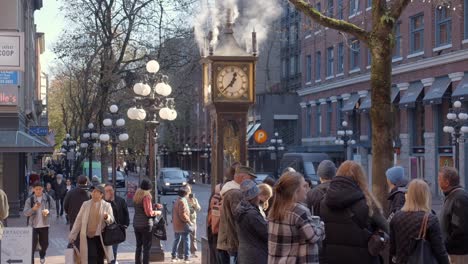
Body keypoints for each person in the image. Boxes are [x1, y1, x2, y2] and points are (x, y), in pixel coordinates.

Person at [319, 160, 388, 264]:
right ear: (360, 178)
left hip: (332, 258)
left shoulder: (324, 202)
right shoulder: (367, 204)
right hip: (363, 258)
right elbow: (387, 228)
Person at [268, 171, 325, 263]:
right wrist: (321, 226)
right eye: (304, 186)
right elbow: (313, 237)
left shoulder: (275, 208)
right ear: (295, 190)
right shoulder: (299, 211)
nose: (306, 189)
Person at [390, 179, 449, 264]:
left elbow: (392, 249)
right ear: (426, 196)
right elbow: (439, 251)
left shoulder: (396, 217)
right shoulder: (430, 219)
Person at [217, 166, 257, 264]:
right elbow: (240, 218)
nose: (253, 182)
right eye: (251, 178)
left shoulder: (232, 191)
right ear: (242, 177)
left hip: (229, 243)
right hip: (232, 244)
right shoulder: (235, 193)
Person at [69, 185, 115, 264]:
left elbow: (111, 221)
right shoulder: (85, 204)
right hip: (88, 236)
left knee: (100, 258)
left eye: (95, 192)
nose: (93, 193)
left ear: (101, 194)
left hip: (101, 237)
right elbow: (78, 220)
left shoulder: (107, 205)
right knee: (91, 257)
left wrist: (107, 217)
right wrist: (73, 235)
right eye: (92, 192)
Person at [207, 162, 240, 264]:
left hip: (216, 231)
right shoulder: (236, 190)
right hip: (230, 234)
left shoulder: (219, 188)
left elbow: (210, 212)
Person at [438, 167, 468, 263]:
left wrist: (445, 245)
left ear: (447, 182)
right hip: (453, 252)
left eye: (439, 179)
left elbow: (459, 229)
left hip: (458, 254)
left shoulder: (459, 198)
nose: (438, 181)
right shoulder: (452, 196)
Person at [234, 180, 268, 264]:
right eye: (257, 195)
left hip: (244, 255)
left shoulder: (240, 209)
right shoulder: (251, 214)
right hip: (255, 257)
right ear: (254, 197)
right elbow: (267, 233)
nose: (259, 198)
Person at [23, 181, 55, 264]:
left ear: (43, 189)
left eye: (40, 189)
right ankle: (31, 261)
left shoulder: (48, 198)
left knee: (45, 244)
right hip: (32, 226)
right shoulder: (30, 199)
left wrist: (48, 211)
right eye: (36, 189)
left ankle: (42, 255)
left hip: (44, 225)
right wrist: (33, 209)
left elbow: (54, 209)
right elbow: (25, 213)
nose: (38, 191)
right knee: (32, 246)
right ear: (33, 189)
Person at [133, 179, 161, 264]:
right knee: (146, 248)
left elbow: (141, 208)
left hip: (136, 224)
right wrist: (157, 212)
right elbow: (149, 213)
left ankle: (137, 262)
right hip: (145, 225)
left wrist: (153, 205)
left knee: (138, 246)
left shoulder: (137, 195)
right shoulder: (146, 196)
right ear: (148, 188)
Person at [105, 183, 130, 264]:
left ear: (114, 190)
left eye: (110, 190)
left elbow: (126, 213)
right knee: (107, 250)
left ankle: (112, 261)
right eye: (107, 191)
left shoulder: (120, 200)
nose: (109, 192)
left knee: (113, 249)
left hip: (116, 229)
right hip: (105, 230)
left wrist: (126, 225)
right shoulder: (103, 202)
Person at [178, 185, 201, 258]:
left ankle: (193, 252)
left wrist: (194, 203)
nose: (188, 191)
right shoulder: (183, 199)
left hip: (193, 220)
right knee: (182, 237)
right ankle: (181, 253)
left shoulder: (194, 199)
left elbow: (198, 209)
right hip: (185, 221)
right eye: (186, 189)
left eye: (189, 189)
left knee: (193, 237)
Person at [171, 186, 193, 263]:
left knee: (176, 240)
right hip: (182, 224)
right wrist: (189, 221)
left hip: (176, 224)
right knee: (187, 240)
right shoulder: (182, 201)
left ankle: (174, 255)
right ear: (185, 194)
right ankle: (187, 257)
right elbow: (182, 214)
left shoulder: (177, 200)